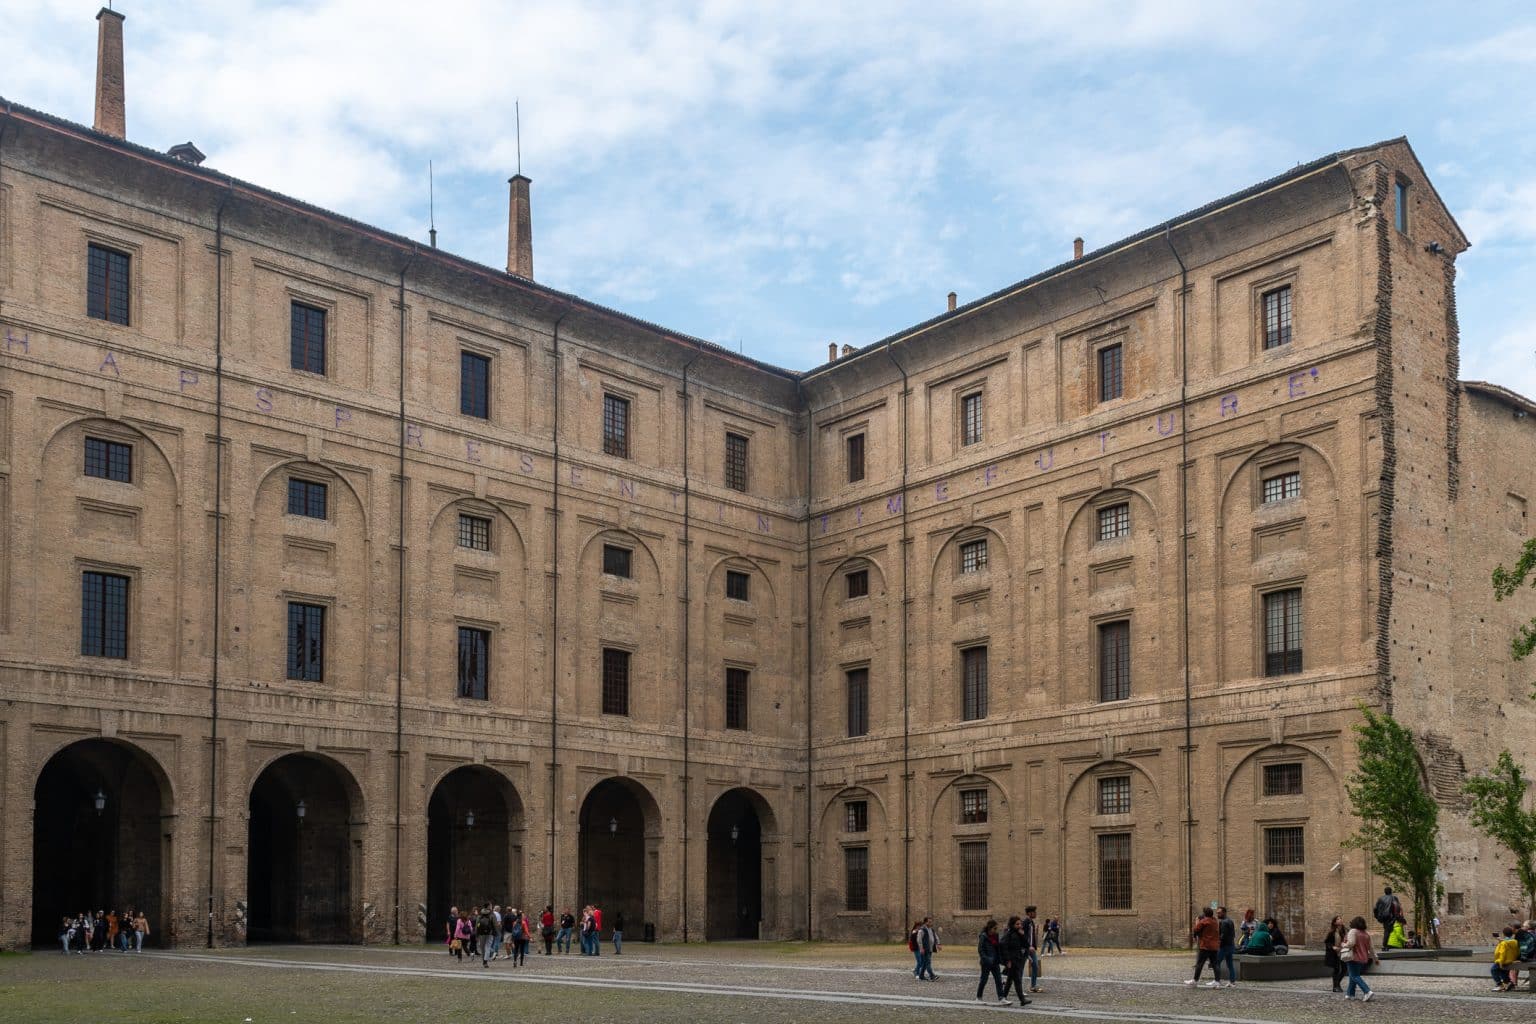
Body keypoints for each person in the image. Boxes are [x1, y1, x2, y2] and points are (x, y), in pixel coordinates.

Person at [1342, 915, 1378, 1001]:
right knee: (1353, 975)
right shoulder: (1366, 934)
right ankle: (1350, 994)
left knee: (1354, 976)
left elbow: (1351, 943)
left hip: (1353, 957)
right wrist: (1375, 959)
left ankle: (1367, 991)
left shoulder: (1353, 931)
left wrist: (1343, 945)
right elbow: (1371, 948)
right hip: (1363, 958)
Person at [998, 916, 1031, 1006]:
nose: (1020, 925)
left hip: (1017, 959)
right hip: (1012, 960)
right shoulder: (1009, 934)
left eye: (1020, 924)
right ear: (1012, 925)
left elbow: (1026, 945)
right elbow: (1003, 946)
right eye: (1017, 924)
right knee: (1017, 980)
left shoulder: (1018, 934)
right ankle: (1022, 999)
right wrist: (1007, 960)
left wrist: (1022, 935)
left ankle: (1003, 996)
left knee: (1010, 980)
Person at [1185, 907, 1221, 988]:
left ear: (1205, 914)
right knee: (1215, 964)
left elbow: (1196, 929)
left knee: (1199, 964)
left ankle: (1195, 981)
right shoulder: (1215, 921)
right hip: (1214, 946)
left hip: (1205, 946)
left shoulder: (1204, 921)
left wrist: (1198, 922)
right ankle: (1217, 981)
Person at [975, 919, 1008, 1004]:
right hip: (986, 962)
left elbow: (998, 948)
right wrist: (986, 958)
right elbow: (980, 949)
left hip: (995, 961)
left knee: (998, 980)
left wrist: (1000, 959)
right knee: (983, 980)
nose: (996, 930)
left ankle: (1001, 998)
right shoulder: (983, 936)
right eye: (994, 928)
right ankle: (978, 997)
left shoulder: (996, 935)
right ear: (990, 928)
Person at [1021, 906, 1044, 993]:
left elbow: (1031, 936)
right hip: (1026, 948)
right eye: (1034, 912)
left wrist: (1034, 946)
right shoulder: (1025, 922)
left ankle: (1033, 986)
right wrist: (1027, 946)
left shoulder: (1031, 922)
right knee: (1020, 968)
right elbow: (1023, 936)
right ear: (1029, 913)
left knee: (1035, 966)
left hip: (1031, 949)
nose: (1036, 914)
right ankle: (1015, 986)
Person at [1323, 915, 1348, 993]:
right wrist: (1333, 947)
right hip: (1335, 953)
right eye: (1338, 919)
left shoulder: (1346, 930)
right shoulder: (1332, 932)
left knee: (1344, 969)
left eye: (1340, 918)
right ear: (1334, 922)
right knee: (1336, 969)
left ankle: (1337, 984)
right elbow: (1327, 942)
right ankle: (1335, 987)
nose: (1340, 920)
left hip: (1343, 951)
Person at [1215, 906, 1238, 988]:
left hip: (1224, 946)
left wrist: (1218, 944)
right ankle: (1232, 982)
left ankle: (1217, 981)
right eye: (1217, 912)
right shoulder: (1230, 921)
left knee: (1216, 963)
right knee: (1230, 965)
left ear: (1224, 912)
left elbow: (1223, 936)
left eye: (1219, 912)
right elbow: (1233, 934)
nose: (1217, 914)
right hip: (1230, 945)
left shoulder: (1224, 922)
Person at [1493, 926, 1520, 992]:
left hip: (1504, 961)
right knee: (1503, 972)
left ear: (1504, 934)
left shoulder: (1504, 943)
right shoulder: (1515, 941)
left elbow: (1502, 953)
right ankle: (1509, 983)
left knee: (1493, 970)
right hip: (1511, 960)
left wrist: (1500, 962)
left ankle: (1500, 985)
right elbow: (1517, 951)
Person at [914, 916, 940, 981]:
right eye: (929, 922)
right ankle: (932, 976)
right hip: (925, 949)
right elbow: (919, 939)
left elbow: (935, 937)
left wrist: (938, 944)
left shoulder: (931, 929)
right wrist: (921, 948)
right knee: (928, 962)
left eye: (931, 922)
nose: (931, 923)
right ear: (925, 922)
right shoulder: (922, 930)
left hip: (930, 948)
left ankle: (921, 976)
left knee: (925, 963)